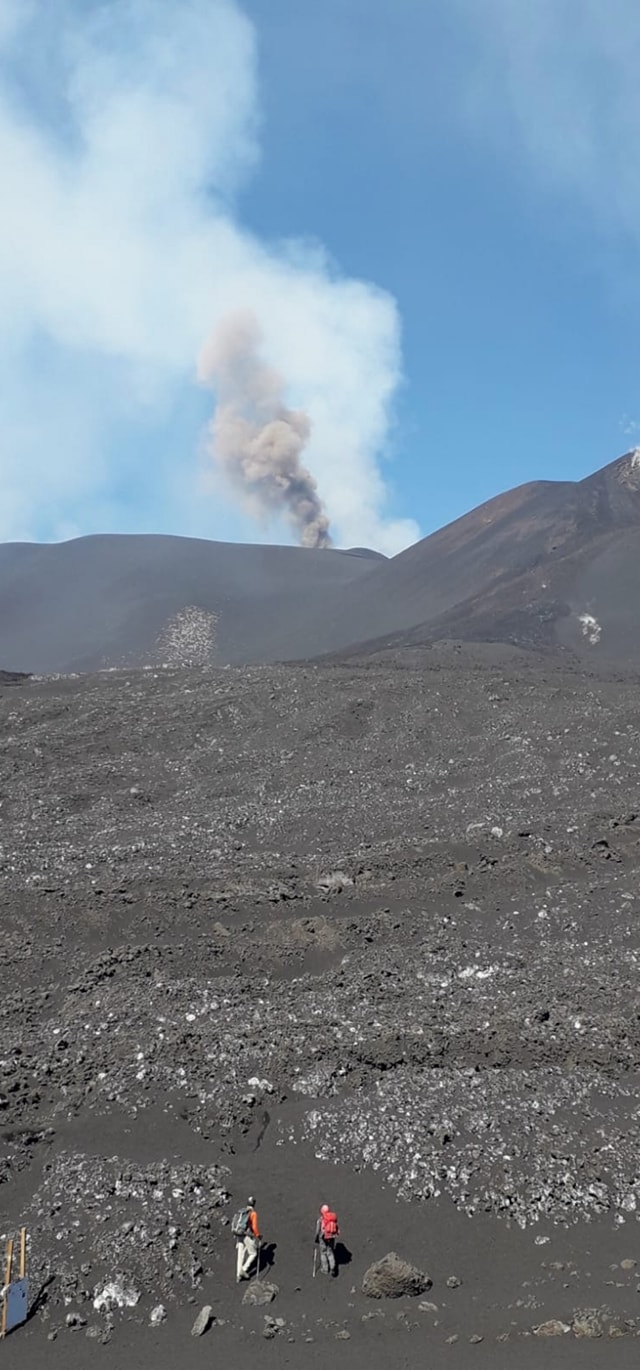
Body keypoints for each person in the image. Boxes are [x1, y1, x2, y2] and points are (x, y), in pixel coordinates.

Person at [235, 1196, 261, 1282]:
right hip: (246, 1234)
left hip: (238, 1234)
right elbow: (254, 1227)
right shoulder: (253, 1213)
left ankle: (238, 1275)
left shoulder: (242, 1211)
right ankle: (244, 1270)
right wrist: (258, 1235)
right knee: (253, 1253)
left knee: (240, 1255)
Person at [314, 1203, 339, 1275]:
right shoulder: (333, 1218)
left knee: (323, 1253)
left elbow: (317, 1231)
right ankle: (332, 1267)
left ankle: (325, 1269)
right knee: (330, 1252)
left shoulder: (320, 1220)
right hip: (331, 1237)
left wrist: (316, 1238)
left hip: (323, 1238)